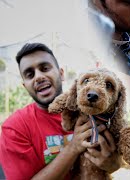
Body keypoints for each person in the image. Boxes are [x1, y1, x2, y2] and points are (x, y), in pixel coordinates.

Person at [0, 43, 121, 179]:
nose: (38, 77)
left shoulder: (95, 110)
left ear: (61, 73)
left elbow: (115, 160)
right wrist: (73, 147)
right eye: (30, 74)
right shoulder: (14, 127)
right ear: (25, 86)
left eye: (45, 68)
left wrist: (114, 163)